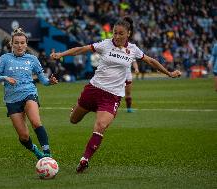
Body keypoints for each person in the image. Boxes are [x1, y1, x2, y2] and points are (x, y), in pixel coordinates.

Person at [50, 18, 181, 173]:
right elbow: (81, 49)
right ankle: (76, 109)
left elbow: (151, 61)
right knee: (73, 120)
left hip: (112, 96)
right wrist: (61, 54)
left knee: (101, 126)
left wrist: (169, 73)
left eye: (121, 33)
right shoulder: (105, 44)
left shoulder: (133, 49)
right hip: (93, 89)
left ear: (128, 34)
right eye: (115, 33)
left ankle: (84, 159)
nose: (117, 36)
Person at [0, 28, 58, 160]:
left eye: (22, 43)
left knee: (36, 122)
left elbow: (43, 80)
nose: (19, 46)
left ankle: (47, 153)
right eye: (16, 43)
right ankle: (35, 150)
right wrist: (5, 78)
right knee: (23, 136)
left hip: (29, 93)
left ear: (26, 44)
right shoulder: (5, 58)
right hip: (12, 99)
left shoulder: (32, 59)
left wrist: (49, 82)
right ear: (11, 44)